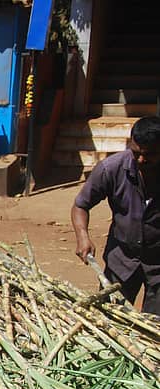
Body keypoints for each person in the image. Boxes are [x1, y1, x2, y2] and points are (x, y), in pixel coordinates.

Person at [72, 115, 160, 316]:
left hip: (157, 267)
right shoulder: (110, 168)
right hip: (121, 262)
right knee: (110, 320)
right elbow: (80, 205)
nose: (140, 160)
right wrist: (82, 237)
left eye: (149, 155)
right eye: (136, 152)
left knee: (154, 331)